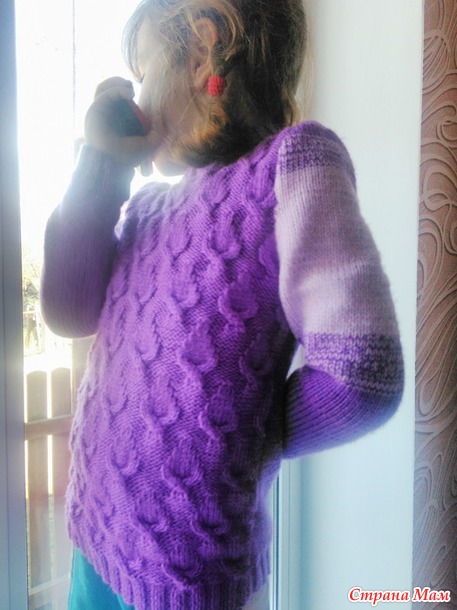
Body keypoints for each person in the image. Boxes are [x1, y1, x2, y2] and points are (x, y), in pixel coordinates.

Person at [41, 0, 404, 608]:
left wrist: (245, 437)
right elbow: (68, 311)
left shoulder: (292, 164)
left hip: (183, 579)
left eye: (144, 68)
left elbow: (361, 375)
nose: (137, 95)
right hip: (93, 539)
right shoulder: (147, 210)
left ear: (202, 49)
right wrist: (100, 165)